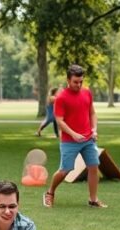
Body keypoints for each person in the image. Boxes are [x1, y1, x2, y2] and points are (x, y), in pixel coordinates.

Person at [44, 64, 108, 209]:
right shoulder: (61, 98)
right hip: (69, 141)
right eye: (75, 82)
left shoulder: (87, 93)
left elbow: (92, 113)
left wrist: (94, 130)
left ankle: (93, 200)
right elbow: (59, 121)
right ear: (68, 80)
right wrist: (73, 134)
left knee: (93, 166)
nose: (78, 85)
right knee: (65, 170)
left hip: (88, 139)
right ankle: (50, 192)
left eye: (81, 82)